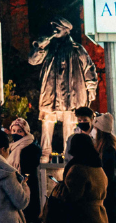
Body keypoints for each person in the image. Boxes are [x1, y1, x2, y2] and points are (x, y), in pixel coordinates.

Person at [29, 19, 98, 158]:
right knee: (47, 122)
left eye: (57, 27)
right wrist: (40, 46)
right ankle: (44, 154)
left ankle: (70, 154)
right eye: (53, 26)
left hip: (72, 95)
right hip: (51, 93)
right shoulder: (48, 48)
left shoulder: (77, 49)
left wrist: (91, 89)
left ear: (66, 29)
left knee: (70, 125)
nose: (54, 29)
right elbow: (32, 60)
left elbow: (89, 68)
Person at [7, 116, 52, 223]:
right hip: (17, 190)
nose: (16, 134)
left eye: (19, 131)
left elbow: (28, 170)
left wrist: (20, 179)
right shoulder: (13, 147)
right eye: (14, 131)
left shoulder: (31, 147)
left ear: (25, 132)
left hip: (26, 191)